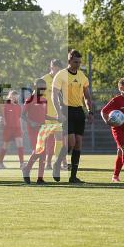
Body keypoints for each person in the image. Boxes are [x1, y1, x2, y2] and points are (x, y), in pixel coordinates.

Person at [52, 50, 94, 184]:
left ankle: (73, 176)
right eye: (76, 62)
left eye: (79, 62)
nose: (78, 64)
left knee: (78, 143)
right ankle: (57, 164)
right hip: (66, 110)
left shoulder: (82, 76)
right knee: (71, 142)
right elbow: (54, 95)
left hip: (78, 111)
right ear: (69, 61)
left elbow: (87, 96)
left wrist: (90, 111)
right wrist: (59, 112)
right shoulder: (61, 75)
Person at [21, 78, 58, 184]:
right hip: (33, 129)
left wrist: (55, 118)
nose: (42, 90)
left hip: (43, 128)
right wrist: (31, 122)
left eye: (44, 88)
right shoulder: (30, 99)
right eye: (40, 88)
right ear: (35, 87)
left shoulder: (44, 100)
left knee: (43, 152)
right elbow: (23, 115)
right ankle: (27, 169)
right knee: (39, 150)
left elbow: (44, 115)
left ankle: (39, 178)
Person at [39, 59, 65, 171]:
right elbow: (37, 98)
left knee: (59, 139)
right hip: (46, 116)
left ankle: (57, 162)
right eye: (56, 69)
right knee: (45, 141)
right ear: (51, 67)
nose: (57, 71)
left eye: (60, 70)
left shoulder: (61, 80)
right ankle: (46, 163)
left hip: (56, 116)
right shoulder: (44, 80)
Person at [0, 90, 24, 169]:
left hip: (17, 128)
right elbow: (2, 115)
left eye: (15, 97)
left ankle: (22, 164)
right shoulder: (5, 105)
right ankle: (0, 163)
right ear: (9, 96)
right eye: (12, 97)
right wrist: (2, 119)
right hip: (8, 128)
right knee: (6, 145)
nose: (13, 99)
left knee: (20, 143)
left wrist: (21, 128)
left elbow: (19, 118)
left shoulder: (18, 106)